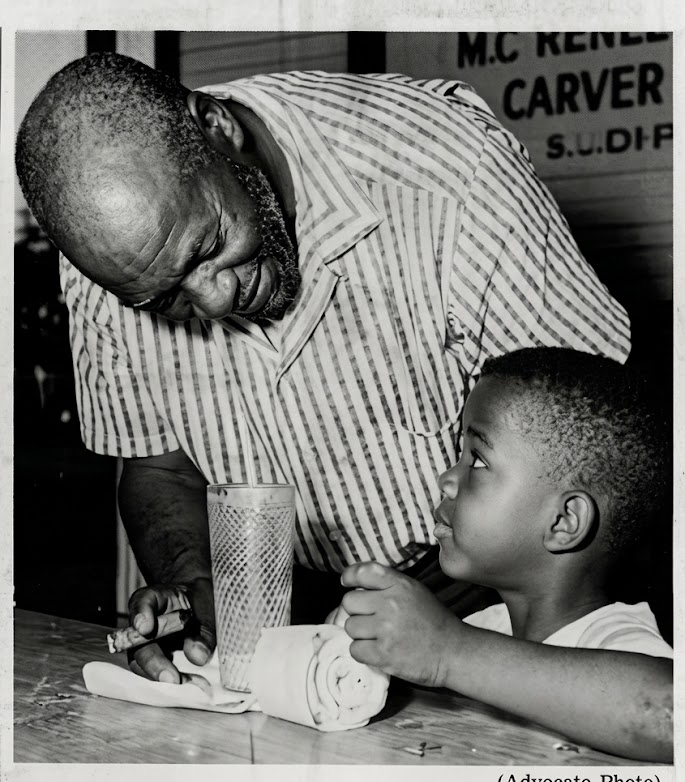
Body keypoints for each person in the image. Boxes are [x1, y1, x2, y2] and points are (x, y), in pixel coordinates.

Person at [16, 52, 632, 686]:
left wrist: (477, 651)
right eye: (165, 298)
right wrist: (196, 589)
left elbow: (586, 455)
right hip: (279, 600)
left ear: (218, 128)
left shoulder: (448, 171)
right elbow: (159, 468)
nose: (216, 303)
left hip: (485, 593)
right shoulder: (113, 260)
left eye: (208, 247)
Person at [340, 348, 673, 762]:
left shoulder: (616, 639)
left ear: (563, 521)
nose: (446, 479)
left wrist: (448, 651)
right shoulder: (485, 628)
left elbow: (667, 714)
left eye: (478, 461)